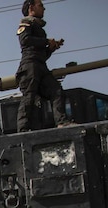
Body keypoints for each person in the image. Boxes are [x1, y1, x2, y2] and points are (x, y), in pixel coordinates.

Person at [15, 0, 73, 132]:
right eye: (40, 5)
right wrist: (46, 41)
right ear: (31, 7)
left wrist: (51, 48)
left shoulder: (38, 27)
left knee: (56, 91)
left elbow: (41, 55)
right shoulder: (26, 22)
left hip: (40, 65)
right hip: (30, 65)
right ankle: (23, 129)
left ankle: (62, 122)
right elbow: (25, 40)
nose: (44, 9)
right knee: (29, 97)